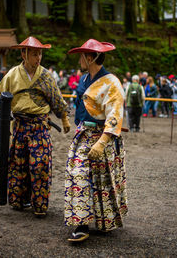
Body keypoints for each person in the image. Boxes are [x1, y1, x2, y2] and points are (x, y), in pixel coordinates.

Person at [0, 36, 70, 216]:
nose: (38, 58)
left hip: (40, 126)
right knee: (18, 165)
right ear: (24, 54)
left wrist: (64, 119)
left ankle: (39, 205)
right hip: (20, 125)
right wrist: (2, 110)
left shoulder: (45, 75)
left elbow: (56, 99)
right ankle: (19, 200)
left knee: (40, 165)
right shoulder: (12, 74)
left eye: (40, 54)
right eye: (35, 54)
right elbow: (2, 95)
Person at [64, 39, 128, 242]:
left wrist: (102, 142)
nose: (80, 60)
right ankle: (81, 223)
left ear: (90, 58)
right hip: (83, 135)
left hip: (104, 136)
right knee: (78, 173)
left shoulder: (112, 82)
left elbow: (115, 113)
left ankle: (104, 221)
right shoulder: (83, 79)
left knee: (103, 180)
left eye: (82, 56)